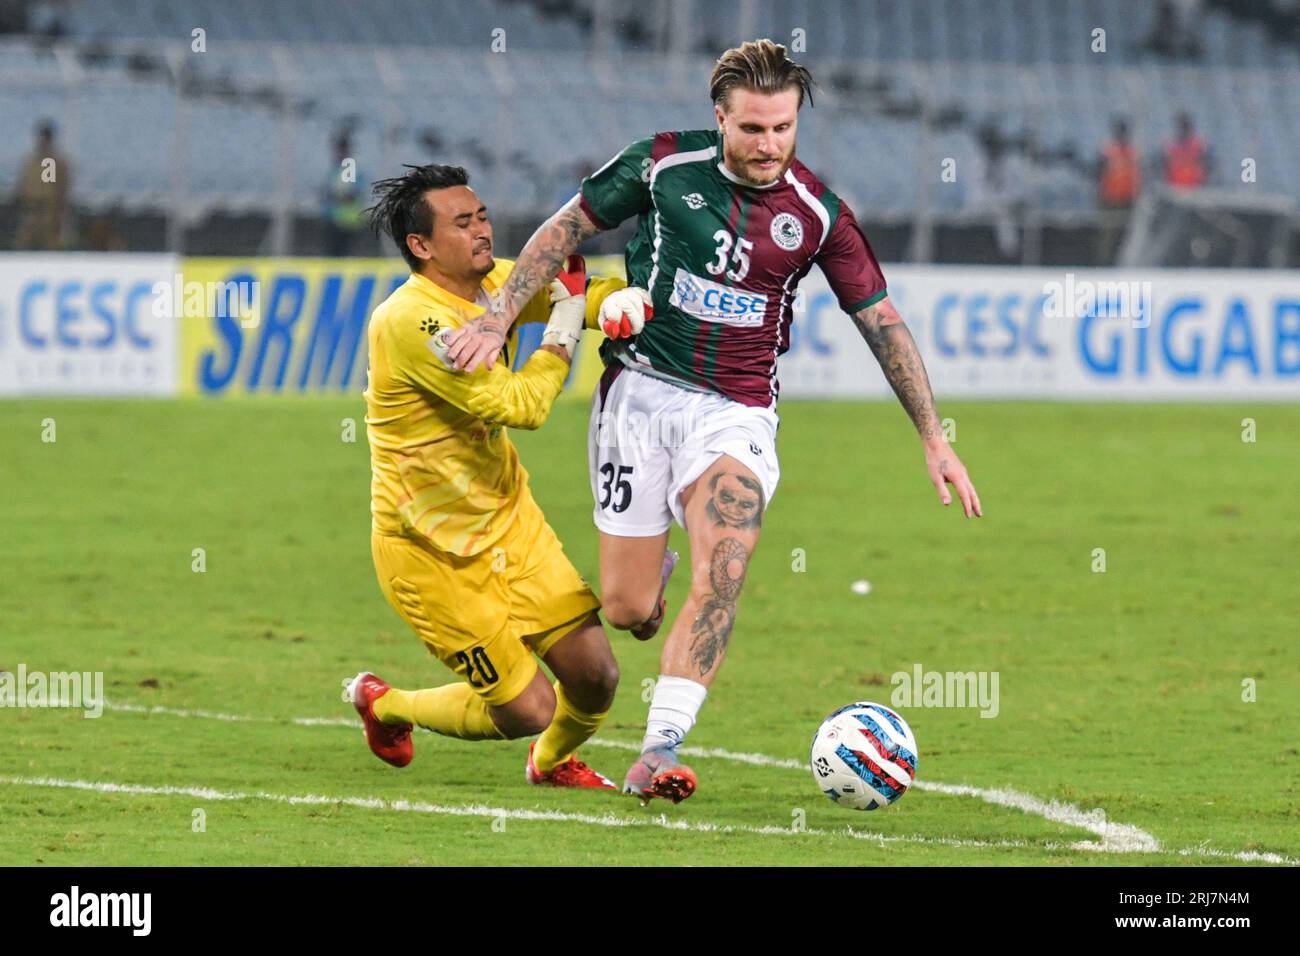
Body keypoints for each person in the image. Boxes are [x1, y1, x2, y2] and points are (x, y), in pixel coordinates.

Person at [445, 40, 982, 805]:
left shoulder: (820, 215)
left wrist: (935, 437)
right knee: (627, 607)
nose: (769, 146)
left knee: (725, 563)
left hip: (735, 412)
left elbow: (882, 321)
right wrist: (500, 320)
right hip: (638, 396)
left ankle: (656, 752)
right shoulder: (661, 168)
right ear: (720, 118)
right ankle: (651, 584)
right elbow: (566, 229)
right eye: (753, 129)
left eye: (784, 129)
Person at [346, 163, 631, 789]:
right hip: (429, 549)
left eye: (482, 217)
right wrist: (563, 328)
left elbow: (578, 286)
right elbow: (521, 406)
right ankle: (384, 704)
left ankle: (551, 766)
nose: (483, 231)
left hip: (509, 521)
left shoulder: (498, 283)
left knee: (595, 676)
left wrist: (618, 304)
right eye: (462, 223)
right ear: (421, 247)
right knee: (529, 708)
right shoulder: (414, 323)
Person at [14, 120, 70, 250]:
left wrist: (58, 207)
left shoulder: (53, 162)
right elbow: (23, 183)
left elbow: (58, 187)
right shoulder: (31, 161)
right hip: (30, 208)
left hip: (49, 210)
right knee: (25, 242)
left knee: (49, 244)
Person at [1096, 118, 1141, 264]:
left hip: (1128, 200)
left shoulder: (1133, 153)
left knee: (1127, 235)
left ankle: (1124, 263)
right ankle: (1104, 263)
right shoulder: (1108, 152)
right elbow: (1099, 174)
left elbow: (1138, 176)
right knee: (1108, 234)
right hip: (1110, 199)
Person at [1163, 113, 1210, 191]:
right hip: (1175, 191)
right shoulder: (1170, 147)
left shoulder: (1199, 146)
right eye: (1181, 128)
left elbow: (1207, 168)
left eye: (1184, 128)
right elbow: (1164, 169)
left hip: (1195, 190)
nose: (1183, 131)